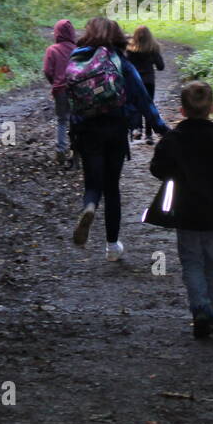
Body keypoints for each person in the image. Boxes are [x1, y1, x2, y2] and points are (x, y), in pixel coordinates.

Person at [147, 80, 213, 339]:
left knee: (191, 260)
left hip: (185, 209)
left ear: (182, 110)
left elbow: (157, 169)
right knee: (212, 259)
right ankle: (212, 309)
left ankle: (200, 308)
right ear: (212, 107)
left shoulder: (173, 139)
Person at [66, 17, 169, 261]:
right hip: (115, 129)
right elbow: (143, 99)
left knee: (93, 184)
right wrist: (162, 129)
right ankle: (112, 247)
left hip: (87, 131)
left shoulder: (77, 58)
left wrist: (73, 138)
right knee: (112, 187)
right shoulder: (120, 61)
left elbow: (70, 101)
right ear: (116, 35)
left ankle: (89, 206)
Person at [42, 19, 78, 163]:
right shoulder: (77, 49)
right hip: (77, 90)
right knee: (77, 121)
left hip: (60, 91)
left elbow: (47, 70)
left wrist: (54, 83)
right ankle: (77, 152)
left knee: (62, 120)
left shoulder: (52, 50)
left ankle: (61, 150)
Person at [125, 25, 165, 145]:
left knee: (136, 104)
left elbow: (126, 64)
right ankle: (149, 135)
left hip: (135, 81)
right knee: (148, 106)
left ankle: (137, 129)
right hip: (148, 81)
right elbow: (161, 66)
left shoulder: (130, 49)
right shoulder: (153, 49)